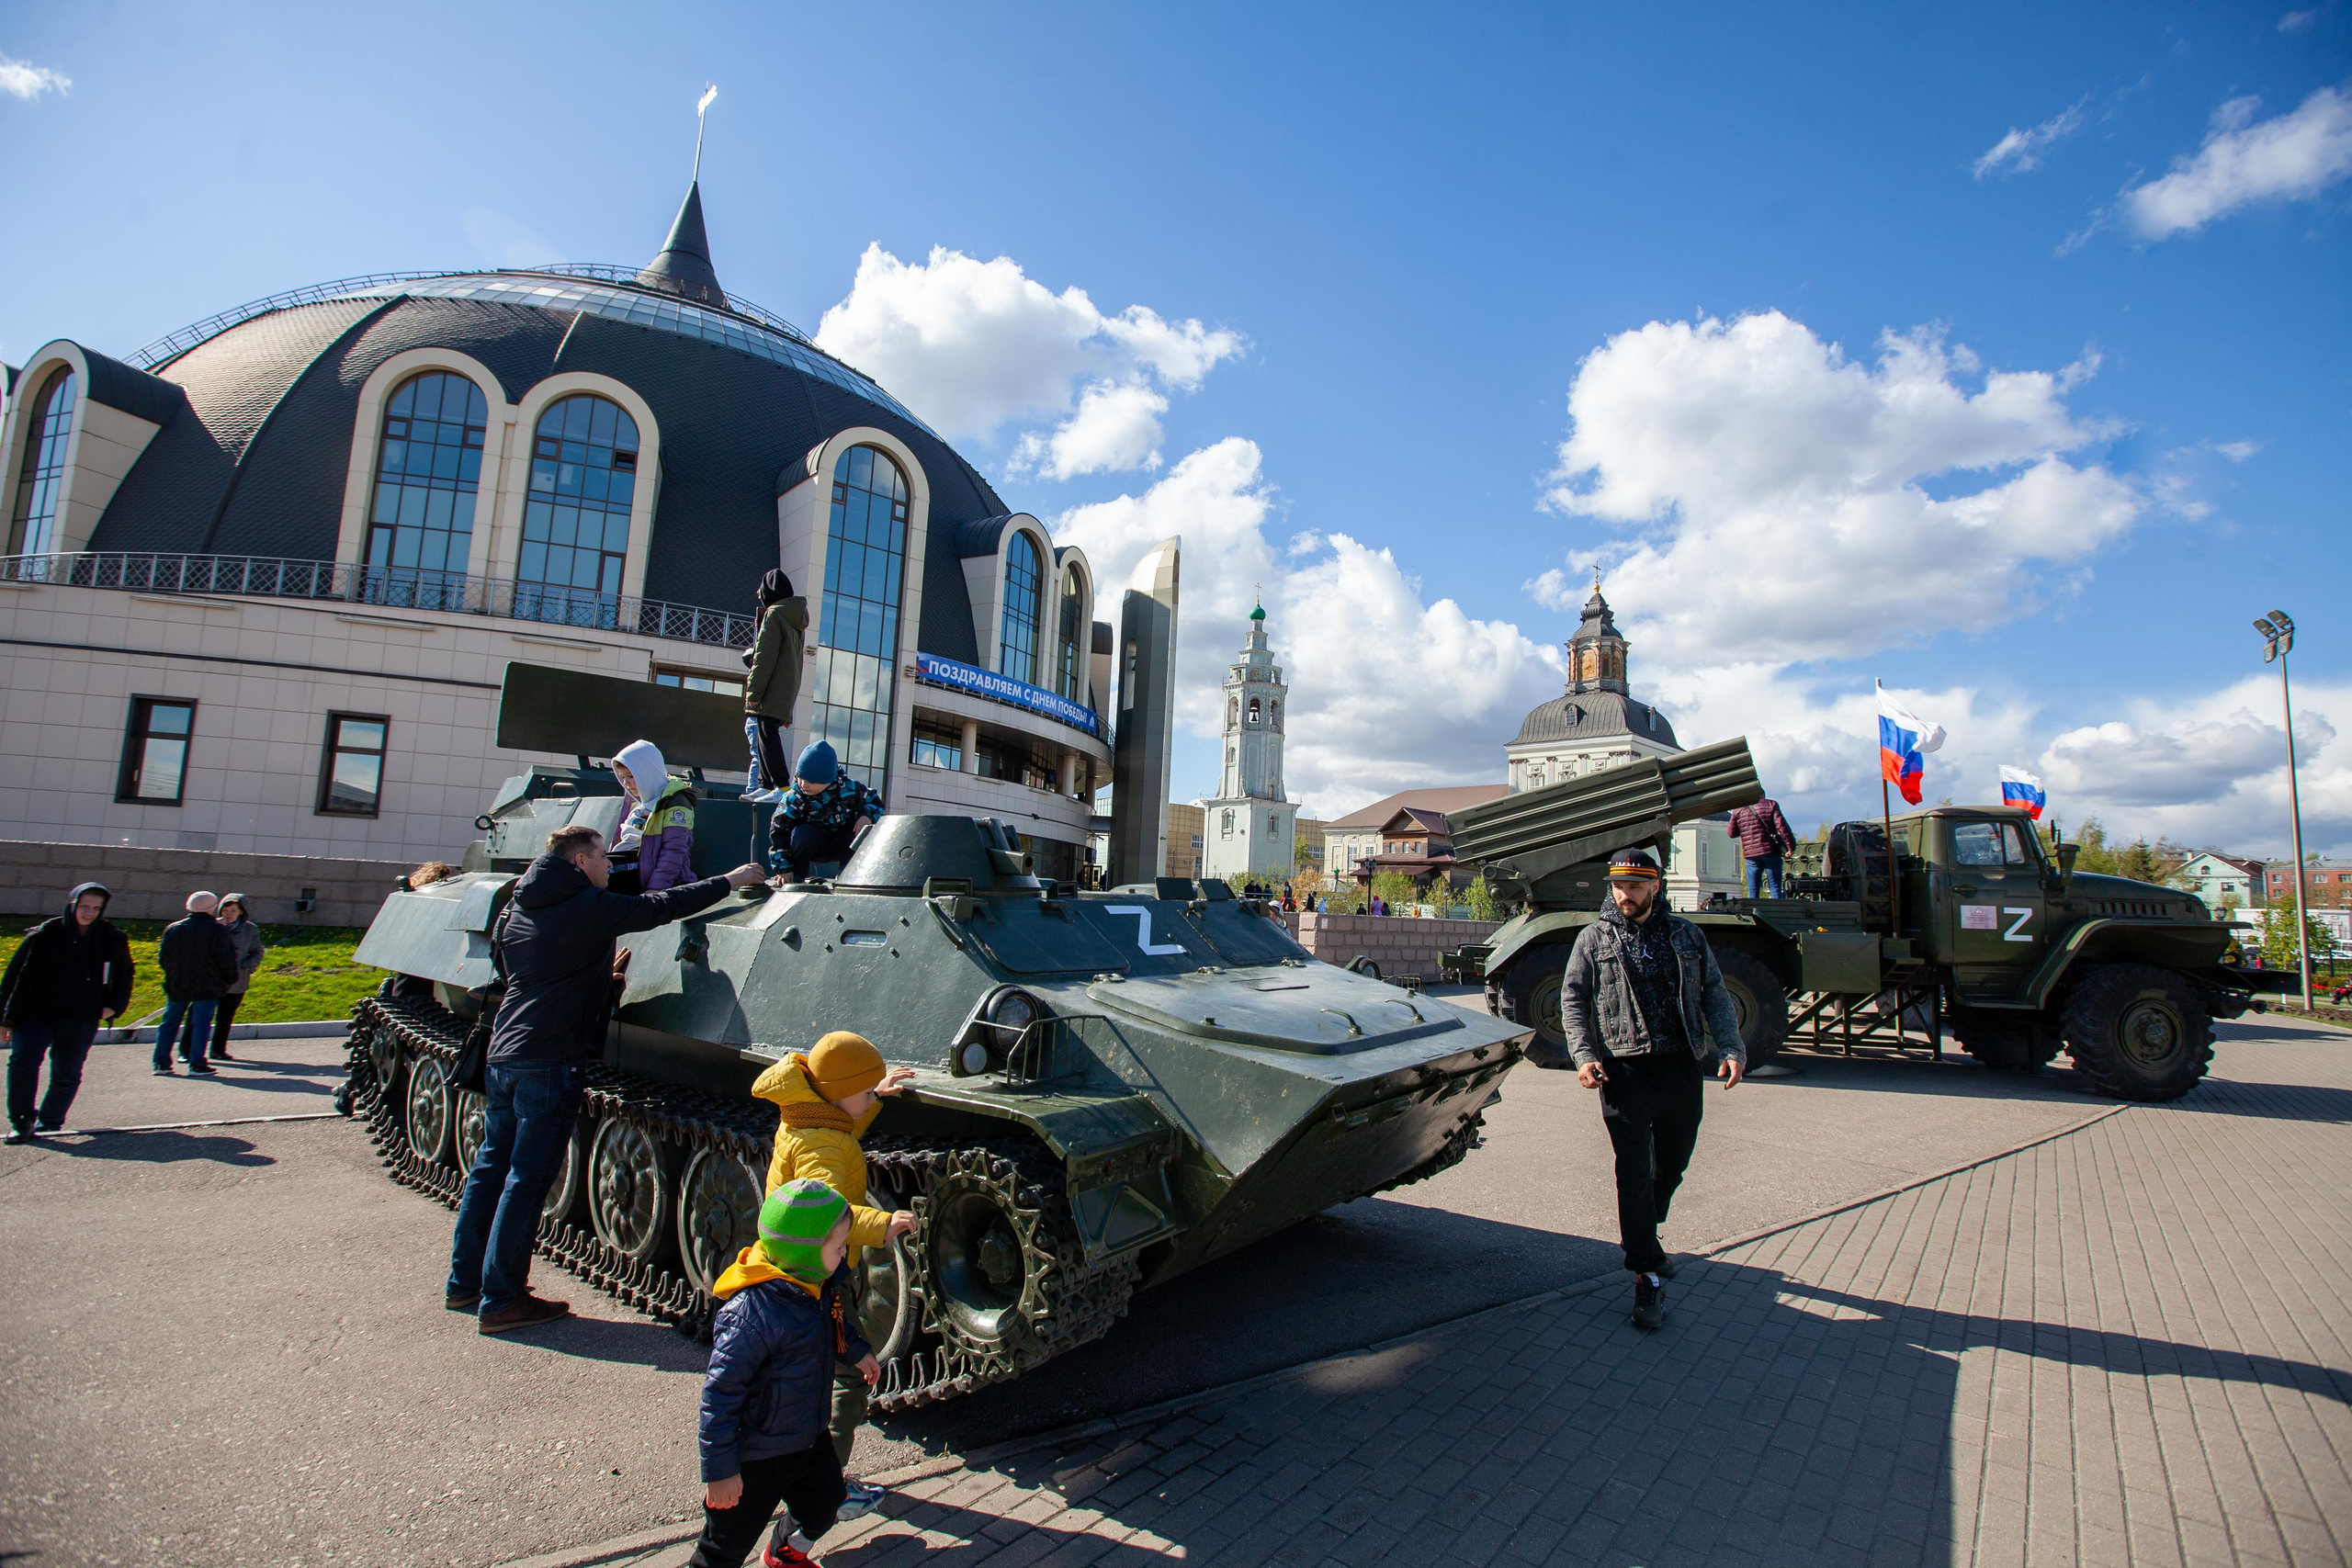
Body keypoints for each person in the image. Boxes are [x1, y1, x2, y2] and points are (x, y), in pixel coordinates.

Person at [448, 825, 766, 1334]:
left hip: (506, 1051)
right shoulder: (586, 907)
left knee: (491, 1169)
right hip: (551, 1058)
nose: (608, 867)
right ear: (578, 861)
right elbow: (659, 907)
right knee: (527, 1180)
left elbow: (515, 973)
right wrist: (729, 880)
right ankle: (502, 1298)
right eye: (602, 858)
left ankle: (465, 1281)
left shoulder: (518, 906)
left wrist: (595, 979)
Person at [1560, 847, 1747, 1332]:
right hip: (1623, 1070)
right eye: (1619, 886)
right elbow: (1574, 999)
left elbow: (1714, 992)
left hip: (1681, 1064)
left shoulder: (1686, 934)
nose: (1626, 894)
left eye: (1636, 886)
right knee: (1634, 1173)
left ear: (1656, 886)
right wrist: (1584, 1057)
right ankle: (1645, 1273)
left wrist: (1731, 1047)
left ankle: (1647, 1229)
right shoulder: (1593, 939)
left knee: (1673, 1162)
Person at [752, 1032, 916, 1518]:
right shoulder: (821, 1143)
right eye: (863, 1092)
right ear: (838, 1092)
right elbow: (826, 1214)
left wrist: (873, 1099)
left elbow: (838, 1134)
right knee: (848, 1379)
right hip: (821, 1277)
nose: (869, 1098)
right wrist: (884, 1224)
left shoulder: (808, 1115)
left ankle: (807, 1479)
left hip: (798, 1268)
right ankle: (827, 1492)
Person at [692, 1178, 875, 1568]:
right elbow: (720, 1395)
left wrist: (855, 1352)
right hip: (756, 1456)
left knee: (825, 1506)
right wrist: (721, 1471)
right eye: (839, 1247)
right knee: (723, 1549)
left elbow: (834, 1323)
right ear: (805, 1250)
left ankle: (786, 1552)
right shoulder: (751, 1313)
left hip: (809, 1438)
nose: (844, 1256)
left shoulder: (815, 1285)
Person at [1, 882, 132, 1142]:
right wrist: (6, 1018)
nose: (89, 912)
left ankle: (51, 1121)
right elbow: (15, 976)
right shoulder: (45, 934)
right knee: (23, 1063)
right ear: (71, 904)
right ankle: (21, 1120)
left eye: (96, 908)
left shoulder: (111, 938)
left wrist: (114, 1007)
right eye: (84, 906)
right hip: (36, 1014)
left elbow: (125, 974)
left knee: (67, 1071)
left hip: (81, 1017)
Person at [769, 741, 884, 884]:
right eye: (800, 777)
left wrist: (866, 815)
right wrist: (784, 869)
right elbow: (779, 831)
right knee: (802, 833)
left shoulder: (850, 789)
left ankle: (848, 876)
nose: (804, 784)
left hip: (846, 844)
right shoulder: (794, 798)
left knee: (861, 832)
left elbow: (874, 801)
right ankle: (796, 876)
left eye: (811, 781)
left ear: (828, 780)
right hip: (814, 845)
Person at [742, 570, 808, 806]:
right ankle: (765, 785)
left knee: (766, 732)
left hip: (771, 686)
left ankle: (780, 785)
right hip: (785, 687)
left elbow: (764, 658)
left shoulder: (774, 614)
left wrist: (754, 693)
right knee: (764, 731)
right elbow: (795, 661)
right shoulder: (795, 618)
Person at [155, 891, 238, 1077]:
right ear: (212, 908)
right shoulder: (217, 930)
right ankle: (197, 1063)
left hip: (178, 983)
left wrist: (173, 974)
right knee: (201, 1024)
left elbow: (164, 959)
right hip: (207, 985)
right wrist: (230, 978)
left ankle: (161, 1063)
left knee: (169, 1022)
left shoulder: (173, 929)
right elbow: (226, 959)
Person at [611, 739, 697, 893]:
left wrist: (655, 890)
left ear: (648, 773)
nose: (626, 783)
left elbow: (673, 852)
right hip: (638, 877)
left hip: (665, 886)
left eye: (631, 776)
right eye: (622, 777)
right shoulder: (641, 804)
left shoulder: (675, 803)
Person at [207, 894, 266, 1062]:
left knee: (225, 1017)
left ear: (242, 912)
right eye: (225, 910)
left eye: (233, 910)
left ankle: (218, 1050)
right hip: (212, 980)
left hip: (236, 980)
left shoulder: (250, 929)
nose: (228, 914)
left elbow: (257, 951)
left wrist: (248, 965)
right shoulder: (213, 926)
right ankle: (187, 1050)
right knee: (199, 1016)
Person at [1726, 795, 1797, 899]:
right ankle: (1777, 913)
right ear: (1763, 795)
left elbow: (1731, 833)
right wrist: (1791, 846)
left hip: (1751, 854)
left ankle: (1753, 913)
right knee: (1775, 888)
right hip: (1771, 851)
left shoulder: (1738, 810)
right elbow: (1782, 827)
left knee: (1753, 891)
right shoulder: (1771, 805)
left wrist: (1744, 828)